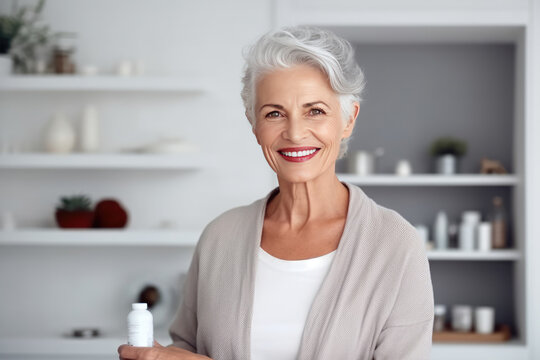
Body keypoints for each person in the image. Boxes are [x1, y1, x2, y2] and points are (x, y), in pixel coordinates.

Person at [118, 25, 434, 360]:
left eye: (315, 111)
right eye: (274, 113)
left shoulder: (395, 245)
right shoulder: (220, 238)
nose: (295, 133)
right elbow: (187, 348)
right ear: (254, 124)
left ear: (348, 120)